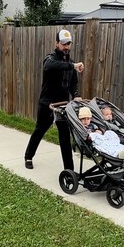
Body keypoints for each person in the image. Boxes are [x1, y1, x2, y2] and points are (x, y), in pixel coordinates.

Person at [24, 29, 85, 170]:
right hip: (47, 103)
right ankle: (28, 156)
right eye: (64, 44)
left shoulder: (71, 63)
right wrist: (73, 66)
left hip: (63, 106)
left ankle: (69, 170)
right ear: (56, 43)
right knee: (40, 130)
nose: (67, 47)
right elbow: (50, 66)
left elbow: (73, 83)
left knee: (64, 136)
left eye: (69, 43)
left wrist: (76, 95)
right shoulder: (50, 59)